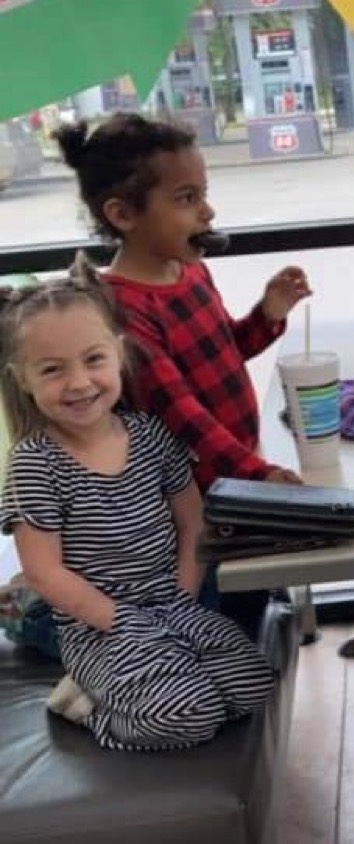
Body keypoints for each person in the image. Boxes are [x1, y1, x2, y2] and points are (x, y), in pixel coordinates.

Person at [51, 113, 312, 635]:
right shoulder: (124, 310)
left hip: (235, 475)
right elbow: (183, 416)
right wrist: (258, 474)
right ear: (123, 214)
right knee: (222, 611)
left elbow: (226, 350)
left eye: (204, 194)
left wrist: (269, 314)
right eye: (187, 198)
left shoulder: (191, 270)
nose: (208, 212)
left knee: (260, 601)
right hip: (195, 502)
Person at [0, 264, 274, 750]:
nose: (79, 382)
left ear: (119, 354)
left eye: (93, 360)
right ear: (23, 379)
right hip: (100, 627)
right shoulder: (34, 464)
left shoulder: (149, 434)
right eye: (52, 370)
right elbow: (44, 573)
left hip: (172, 603)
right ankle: (86, 708)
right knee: (189, 716)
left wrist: (183, 598)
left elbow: (192, 521)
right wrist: (122, 622)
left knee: (254, 686)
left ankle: (155, 684)